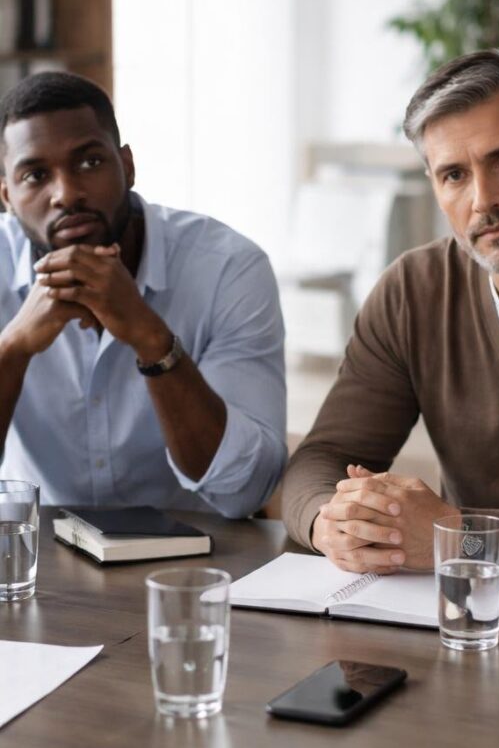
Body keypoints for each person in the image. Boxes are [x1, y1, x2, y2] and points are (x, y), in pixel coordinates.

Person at [282, 48, 499, 577]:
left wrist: (462, 536)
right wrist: (332, 522)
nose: (483, 200)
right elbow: (321, 460)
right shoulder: (414, 290)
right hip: (458, 608)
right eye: (454, 175)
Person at [0, 71, 286, 516]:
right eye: (36, 175)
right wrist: (13, 348)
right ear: (7, 197)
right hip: (39, 547)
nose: (66, 194)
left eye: (89, 162)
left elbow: (244, 492)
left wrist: (151, 338)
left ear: (127, 167)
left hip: (197, 549)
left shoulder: (228, 268)